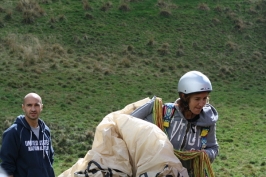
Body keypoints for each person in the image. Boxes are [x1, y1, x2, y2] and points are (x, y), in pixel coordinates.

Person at [130, 71, 219, 177]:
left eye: (205, 98)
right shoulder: (164, 114)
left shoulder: (208, 121)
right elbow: (129, 124)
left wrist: (206, 154)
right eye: (197, 99)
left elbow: (213, 148)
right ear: (184, 96)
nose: (202, 104)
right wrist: (150, 106)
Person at [0, 93, 55, 177]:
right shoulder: (14, 132)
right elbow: (7, 167)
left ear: (41, 107)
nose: (33, 109)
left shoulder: (45, 130)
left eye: (36, 105)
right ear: (23, 107)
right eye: (29, 105)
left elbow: (50, 160)